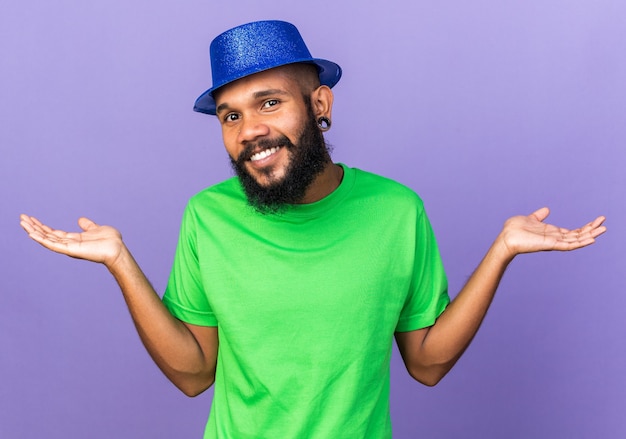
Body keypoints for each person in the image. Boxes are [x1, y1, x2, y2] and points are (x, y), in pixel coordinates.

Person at [20, 20, 606, 439]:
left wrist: (501, 251)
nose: (249, 129)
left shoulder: (396, 211)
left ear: (319, 104)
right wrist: (122, 263)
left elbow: (427, 362)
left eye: (269, 103)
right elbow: (195, 375)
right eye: (231, 115)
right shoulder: (207, 216)